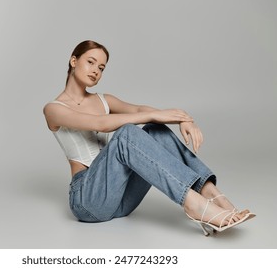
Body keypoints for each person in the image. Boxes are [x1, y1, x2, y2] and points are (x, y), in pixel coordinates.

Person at [43, 40, 255, 236]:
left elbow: (139, 109)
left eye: (101, 68)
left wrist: (182, 118)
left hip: (122, 199)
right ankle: (195, 205)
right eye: (91, 62)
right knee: (127, 132)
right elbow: (99, 124)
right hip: (88, 202)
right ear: (73, 61)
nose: (96, 71)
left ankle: (211, 194)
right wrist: (155, 115)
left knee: (155, 129)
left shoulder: (104, 99)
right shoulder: (53, 109)